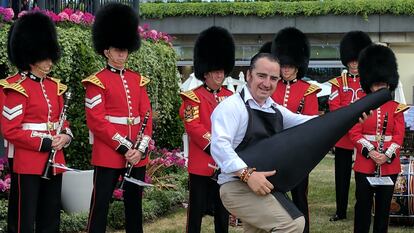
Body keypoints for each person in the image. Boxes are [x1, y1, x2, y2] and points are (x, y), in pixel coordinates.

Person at [211, 53, 316, 233]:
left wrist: (349, 117)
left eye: (274, 78)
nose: (267, 83)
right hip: (235, 187)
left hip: (263, 186)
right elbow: (220, 146)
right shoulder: (231, 107)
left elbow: (308, 122)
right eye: (262, 76)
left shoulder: (274, 108)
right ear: (249, 75)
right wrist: (247, 175)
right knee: (293, 224)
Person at [83, 3, 152, 233]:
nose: (122, 53)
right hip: (109, 153)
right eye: (117, 49)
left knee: (134, 205)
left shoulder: (137, 80)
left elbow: (146, 116)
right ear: (106, 51)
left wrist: (140, 149)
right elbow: (97, 121)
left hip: (136, 154)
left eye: (125, 49)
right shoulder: (96, 82)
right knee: (100, 205)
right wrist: (125, 147)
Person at [1, 12, 72, 232]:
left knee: (50, 217)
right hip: (29, 161)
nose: (50, 63)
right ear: (30, 57)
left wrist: (66, 137)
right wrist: (44, 142)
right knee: (24, 218)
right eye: (45, 58)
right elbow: (10, 130)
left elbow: (63, 122)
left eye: (51, 57)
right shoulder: (16, 87)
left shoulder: (54, 87)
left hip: (55, 159)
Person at [179, 26, 234, 233]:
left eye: (222, 70)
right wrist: (216, 146)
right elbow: (193, 126)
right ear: (206, 71)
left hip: (225, 163)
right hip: (202, 163)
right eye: (215, 71)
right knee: (196, 211)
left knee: (223, 209)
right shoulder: (192, 97)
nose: (220, 75)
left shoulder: (231, 96)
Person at [350, 44, 408, 233]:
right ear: (370, 84)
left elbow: (399, 136)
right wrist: (372, 152)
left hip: (388, 164)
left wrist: (386, 155)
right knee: (363, 206)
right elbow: (354, 133)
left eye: (383, 84)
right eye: (376, 84)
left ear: (388, 84)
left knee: (383, 210)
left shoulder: (397, 108)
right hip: (365, 163)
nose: (380, 88)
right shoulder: (360, 105)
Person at [270, 27, 320, 233]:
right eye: (283, 65)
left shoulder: (308, 91)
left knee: (300, 196)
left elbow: (309, 124)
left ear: (298, 66)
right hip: (273, 149)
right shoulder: (271, 86)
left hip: (297, 152)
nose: (285, 69)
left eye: (289, 65)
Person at [328, 31, 372, 221]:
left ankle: (362, 208)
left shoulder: (369, 83)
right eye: (351, 61)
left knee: (364, 175)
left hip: (364, 135)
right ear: (346, 61)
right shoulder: (338, 83)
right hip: (344, 137)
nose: (354, 64)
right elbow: (334, 107)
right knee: (342, 177)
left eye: (357, 60)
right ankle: (341, 210)